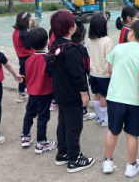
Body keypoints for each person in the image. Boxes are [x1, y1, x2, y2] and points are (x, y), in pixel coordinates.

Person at [102, 19, 139, 178]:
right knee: (132, 134)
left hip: (115, 97)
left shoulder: (119, 48)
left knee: (113, 130)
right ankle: (131, 166)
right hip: (135, 100)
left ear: (131, 32)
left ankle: (107, 162)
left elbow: (110, 69)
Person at [47, 11, 95, 173]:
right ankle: (74, 159)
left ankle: (63, 153)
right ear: (70, 28)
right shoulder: (72, 49)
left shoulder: (55, 45)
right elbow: (78, 75)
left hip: (59, 93)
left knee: (63, 123)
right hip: (72, 95)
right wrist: (84, 93)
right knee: (74, 126)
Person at [21, 27, 57, 154]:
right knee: (43, 117)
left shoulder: (28, 60)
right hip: (44, 93)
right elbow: (53, 77)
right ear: (47, 43)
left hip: (32, 92)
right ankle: (41, 143)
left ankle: (25, 136)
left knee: (29, 114)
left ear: (30, 44)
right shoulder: (48, 59)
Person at [85, 14, 115, 127]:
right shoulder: (107, 41)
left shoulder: (89, 40)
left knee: (96, 95)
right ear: (104, 26)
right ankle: (105, 119)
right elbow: (111, 59)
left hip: (93, 72)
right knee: (104, 96)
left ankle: (99, 116)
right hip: (104, 74)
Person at [71, 18, 96, 121]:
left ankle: (75, 112)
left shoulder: (68, 47)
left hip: (70, 76)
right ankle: (84, 112)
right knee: (83, 92)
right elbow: (86, 63)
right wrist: (89, 73)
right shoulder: (82, 48)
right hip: (81, 75)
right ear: (82, 36)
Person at [12, 12, 34, 103]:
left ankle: (21, 93)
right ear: (25, 21)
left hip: (21, 56)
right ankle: (30, 92)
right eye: (29, 20)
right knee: (30, 75)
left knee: (23, 74)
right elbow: (28, 45)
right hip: (28, 56)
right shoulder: (24, 33)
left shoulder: (16, 31)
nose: (31, 22)